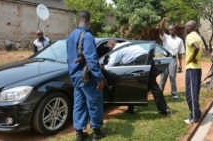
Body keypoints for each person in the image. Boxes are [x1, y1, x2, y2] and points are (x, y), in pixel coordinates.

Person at [66, 10, 106, 141]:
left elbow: (72, 57)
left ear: (78, 20)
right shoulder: (87, 35)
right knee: (94, 103)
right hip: (87, 77)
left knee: (79, 104)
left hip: (75, 76)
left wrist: (82, 57)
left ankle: (79, 133)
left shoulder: (71, 36)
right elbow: (92, 59)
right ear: (88, 21)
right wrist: (99, 78)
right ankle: (97, 132)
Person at [106, 40, 171, 116]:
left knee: (131, 86)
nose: (109, 49)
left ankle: (131, 109)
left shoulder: (117, 49)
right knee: (153, 86)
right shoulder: (126, 44)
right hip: (149, 59)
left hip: (139, 61)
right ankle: (164, 110)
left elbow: (111, 64)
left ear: (112, 44)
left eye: (108, 47)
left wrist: (103, 67)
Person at [158, 17, 185, 101]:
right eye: (169, 29)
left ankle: (174, 94)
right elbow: (160, 30)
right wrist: (163, 22)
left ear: (175, 30)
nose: (170, 31)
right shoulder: (165, 37)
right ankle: (159, 93)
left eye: (172, 29)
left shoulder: (179, 40)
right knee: (163, 77)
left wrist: (180, 64)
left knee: (172, 77)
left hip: (173, 59)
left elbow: (180, 53)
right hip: (164, 59)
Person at [184, 20, 203, 124]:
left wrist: (192, 58)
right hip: (198, 68)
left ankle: (194, 117)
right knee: (194, 92)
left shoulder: (190, 36)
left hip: (192, 68)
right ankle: (197, 113)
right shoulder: (198, 36)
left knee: (190, 94)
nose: (185, 28)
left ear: (192, 27)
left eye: (187, 27)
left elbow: (197, 47)